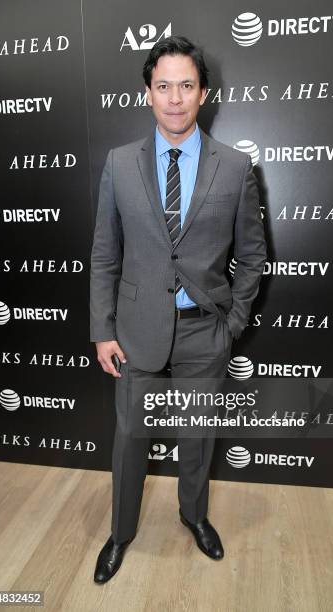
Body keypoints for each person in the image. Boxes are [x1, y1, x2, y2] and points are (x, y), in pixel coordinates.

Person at [90, 35, 267, 583]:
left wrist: (232, 323)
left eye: (185, 85)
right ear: (148, 93)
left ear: (203, 93)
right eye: (163, 85)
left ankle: (195, 517)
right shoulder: (119, 165)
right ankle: (120, 533)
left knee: (197, 438)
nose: (174, 97)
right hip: (136, 331)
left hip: (203, 332)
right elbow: (104, 253)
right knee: (129, 442)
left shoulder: (235, 167)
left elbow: (253, 256)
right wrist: (103, 329)